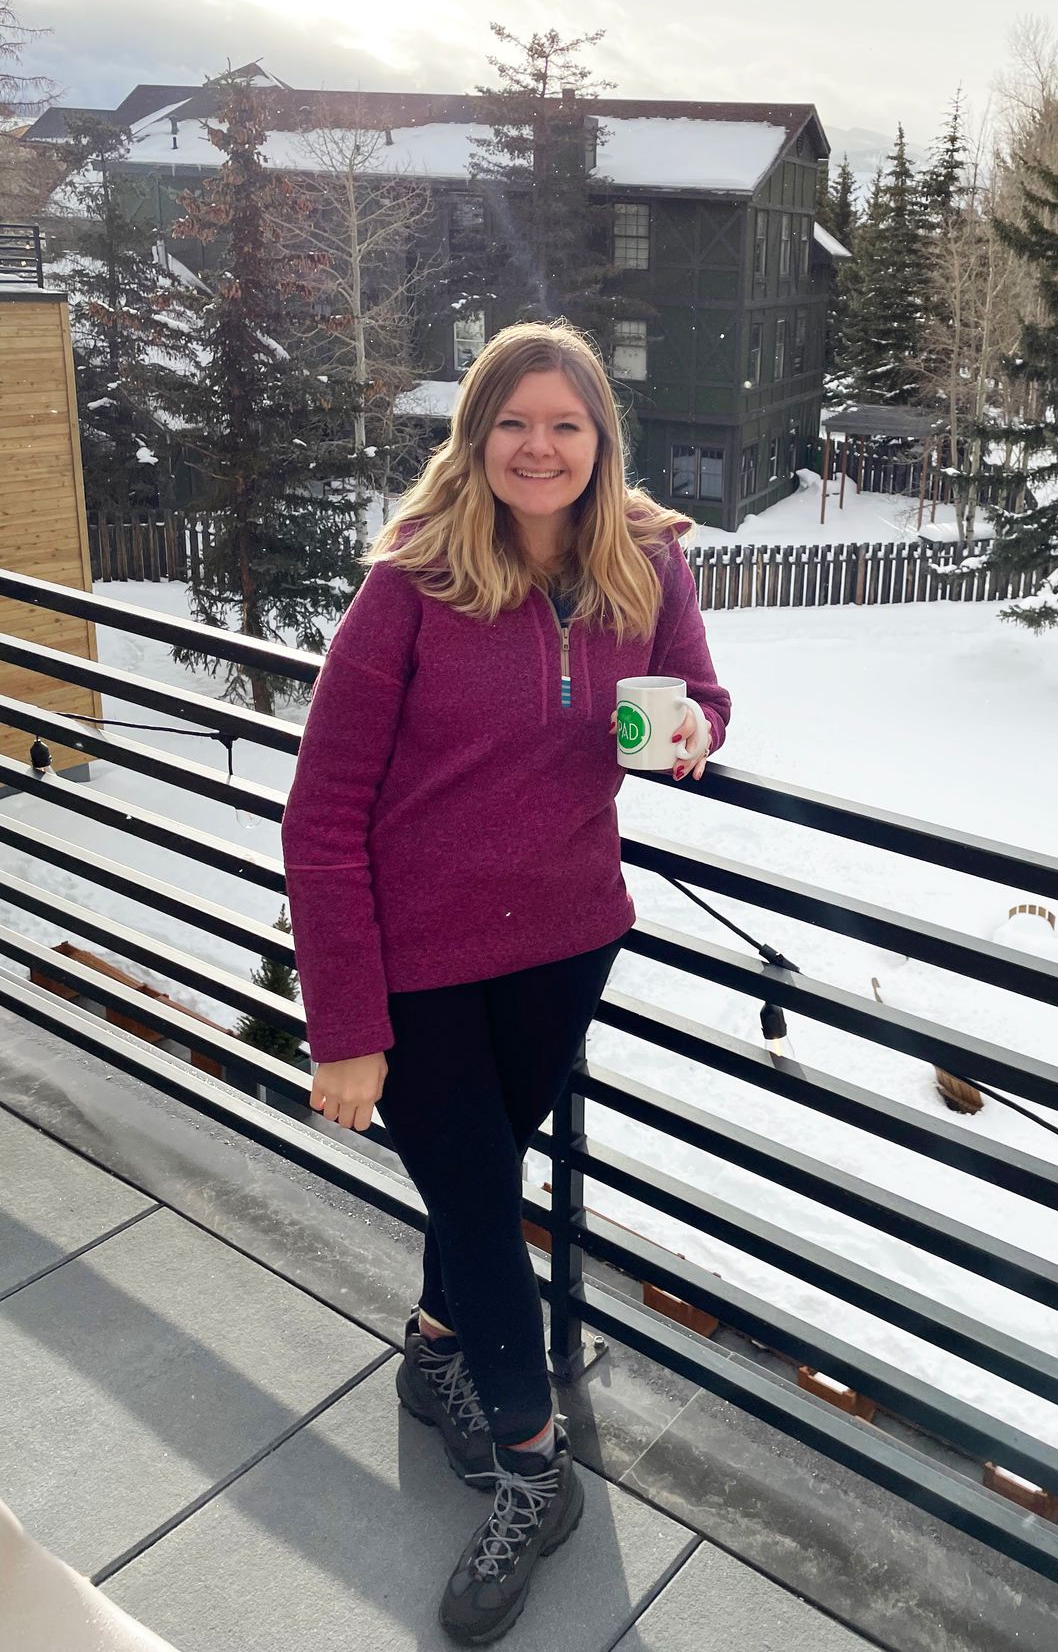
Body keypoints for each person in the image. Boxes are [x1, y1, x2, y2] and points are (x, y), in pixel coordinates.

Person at [280, 320, 731, 1645]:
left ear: (601, 444)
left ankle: (439, 1352)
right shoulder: (409, 589)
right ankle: (537, 1473)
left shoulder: (644, 566)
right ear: (477, 438)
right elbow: (322, 818)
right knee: (481, 1204)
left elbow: (693, 693)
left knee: (480, 1182)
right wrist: (347, 1027)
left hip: (569, 939)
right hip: (416, 968)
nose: (540, 447)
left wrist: (691, 733)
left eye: (567, 425)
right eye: (514, 422)